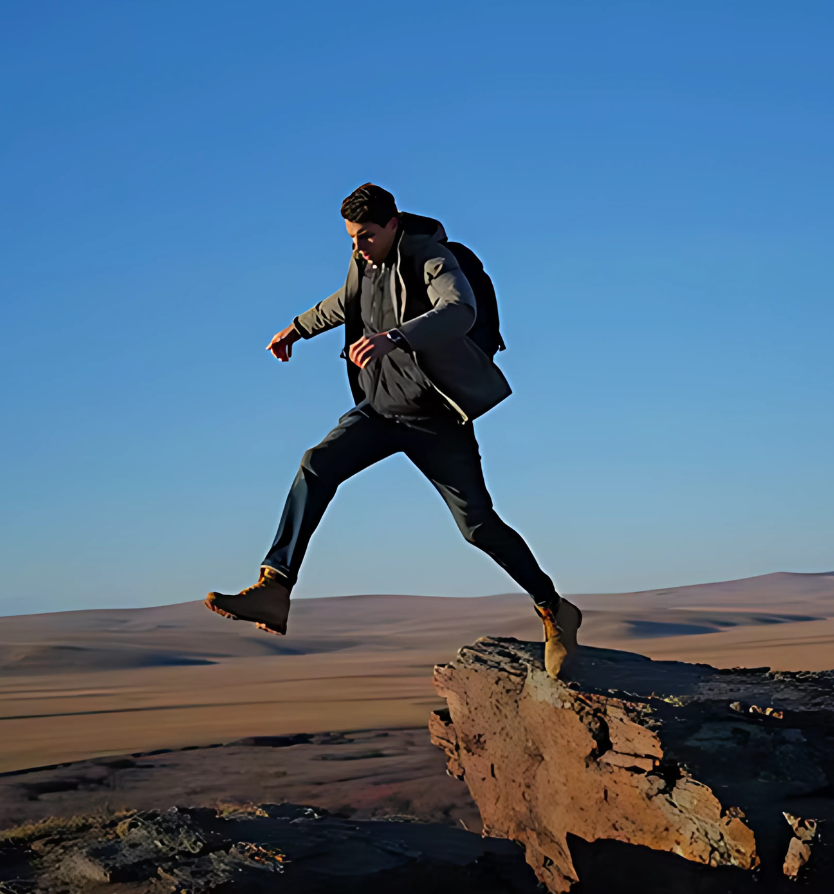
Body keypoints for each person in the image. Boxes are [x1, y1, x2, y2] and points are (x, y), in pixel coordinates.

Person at [205, 183, 581, 678]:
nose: (358, 247)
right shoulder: (364, 263)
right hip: (379, 411)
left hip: (434, 419)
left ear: (392, 225)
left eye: (366, 237)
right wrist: (296, 329)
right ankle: (275, 587)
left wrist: (396, 336)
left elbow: (459, 310)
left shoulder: (431, 258)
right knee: (316, 465)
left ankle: (553, 608)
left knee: (478, 527)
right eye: (351, 239)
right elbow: (345, 302)